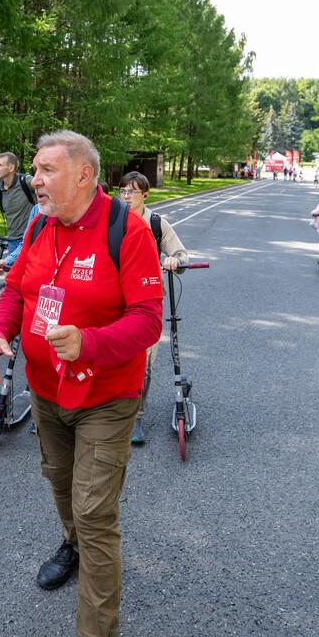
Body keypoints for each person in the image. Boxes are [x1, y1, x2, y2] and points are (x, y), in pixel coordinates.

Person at [0, 130, 163, 637]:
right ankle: (72, 542)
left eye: (45, 170)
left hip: (106, 397)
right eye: (34, 169)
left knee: (94, 512)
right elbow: (17, 291)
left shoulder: (126, 229)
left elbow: (148, 321)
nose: (33, 179)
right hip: (45, 391)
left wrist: (89, 343)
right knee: (60, 482)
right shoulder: (40, 225)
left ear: (83, 175)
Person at [117, 171, 188, 446]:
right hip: (114, 299)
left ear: (145, 195)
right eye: (123, 191)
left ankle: (136, 416)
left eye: (132, 191)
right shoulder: (112, 221)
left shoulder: (157, 223)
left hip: (147, 301)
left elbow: (181, 255)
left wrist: (174, 261)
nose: (126, 196)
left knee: (144, 361)